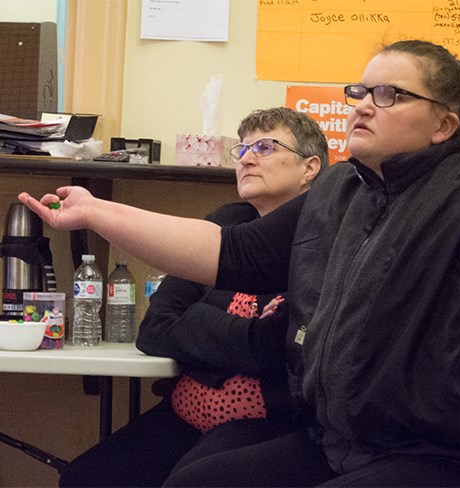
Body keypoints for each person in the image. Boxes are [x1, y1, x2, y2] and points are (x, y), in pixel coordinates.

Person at [20, 40, 460, 487]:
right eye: (361, 88)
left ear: (443, 123)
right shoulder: (339, 190)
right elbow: (233, 255)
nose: (360, 103)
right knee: (201, 479)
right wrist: (101, 215)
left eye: (387, 94)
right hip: (348, 444)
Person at [57, 107, 328, 487]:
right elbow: (155, 327)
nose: (248, 158)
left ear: (310, 167)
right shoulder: (224, 224)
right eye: (244, 149)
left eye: (266, 147)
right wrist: (245, 338)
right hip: (186, 412)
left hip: (272, 422)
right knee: (85, 478)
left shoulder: (323, 242)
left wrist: (199, 322)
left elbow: (281, 349)